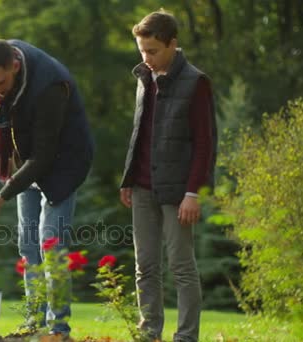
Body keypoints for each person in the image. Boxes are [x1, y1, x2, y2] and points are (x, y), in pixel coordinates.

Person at [0, 38, 94, 336]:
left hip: (63, 163)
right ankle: (34, 323)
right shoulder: (5, 57)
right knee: (28, 247)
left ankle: (57, 329)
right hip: (28, 160)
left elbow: (44, 156)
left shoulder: (50, 85)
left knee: (50, 246)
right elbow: (19, 110)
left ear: (14, 66)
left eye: (1, 82)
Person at [119, 11, 217, 342]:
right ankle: (149, 336)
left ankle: (186, 337)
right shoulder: (143, 77)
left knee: (181, 267)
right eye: (141, 50)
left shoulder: (196, 82)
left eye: (153, 50)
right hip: (143, 187)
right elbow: (140, 133)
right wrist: (128, 179)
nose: (146, 58)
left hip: (178, 192)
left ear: (173, 44)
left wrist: (194, 193)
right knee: (145, 268)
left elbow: (205, 144)